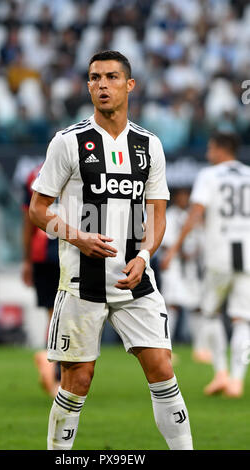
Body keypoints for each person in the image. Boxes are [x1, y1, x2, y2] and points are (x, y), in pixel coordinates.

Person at [29, 50, 193, 450]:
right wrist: (78, 236)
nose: (102, 85)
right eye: (94, 78)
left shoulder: (149, 145)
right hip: (82, 284)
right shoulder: (68, 143)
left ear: (129, 85)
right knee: (78, 380)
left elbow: (157, 215)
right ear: (87, 85)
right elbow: (37, 210)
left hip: (135, 279)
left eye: (111, 77)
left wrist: (144, 255)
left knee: (162, 368)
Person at [162, 132, 250, 398]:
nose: (208, 153)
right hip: (247, 256)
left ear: (221, 149)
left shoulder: (209, 176)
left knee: (210, 313)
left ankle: (221, 373)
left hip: (219, 255)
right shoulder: (248, 174)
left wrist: (173, 249)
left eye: (211, 148)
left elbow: (196, 213)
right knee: (242, 319)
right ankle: (237, 380)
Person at [160, 187, 212, 362]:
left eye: (186, 196)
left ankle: (200, 348)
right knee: (172, 306)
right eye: (181, 196)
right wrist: (181, 253)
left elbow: (203, 241)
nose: (184, 199)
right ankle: (167, 349)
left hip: (191, 269)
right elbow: (165, 243)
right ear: (175, 198)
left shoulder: (193, 217)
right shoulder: (170, 215)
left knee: (197, 306)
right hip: (174, 267)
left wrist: (195, 253)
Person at [22, 165, 60, 397]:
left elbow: (27, 217)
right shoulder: (82, 167)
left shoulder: (33, 174)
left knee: (53, 312)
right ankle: (54, 369)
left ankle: (51, 362)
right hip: (68, 249)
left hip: (40, 254)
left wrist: (26, 260)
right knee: (66, 313)